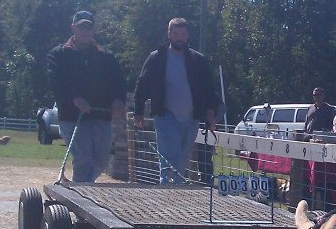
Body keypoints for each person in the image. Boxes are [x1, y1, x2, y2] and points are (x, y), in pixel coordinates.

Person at [134, 17, 218, 184]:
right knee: (170, 157)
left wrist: (211, 115)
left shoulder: (197, 60)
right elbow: (142, 84)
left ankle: (175, 194)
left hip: (191, 118)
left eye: (183, 34)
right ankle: (166, 189)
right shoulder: (157, 58)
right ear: (169, 34)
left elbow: (208, 90)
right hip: (166, 116)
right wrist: (138, 111)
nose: (180, 37)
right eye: (176, 33)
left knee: (182, 160)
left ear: (187, 36)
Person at [47, 11, 126, 183]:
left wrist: (119, 100)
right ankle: (81, 197)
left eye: (89, 27)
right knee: (83, 158)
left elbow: (119, 81)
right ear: (73, 28)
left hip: (101, 116)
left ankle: (77, 187)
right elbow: (57, 82)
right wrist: (75, 98)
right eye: (82, 27)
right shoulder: (59, 54)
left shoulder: (106, 56)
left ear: (93, 30)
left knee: (102, 159)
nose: (85, 31)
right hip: (72, 117)